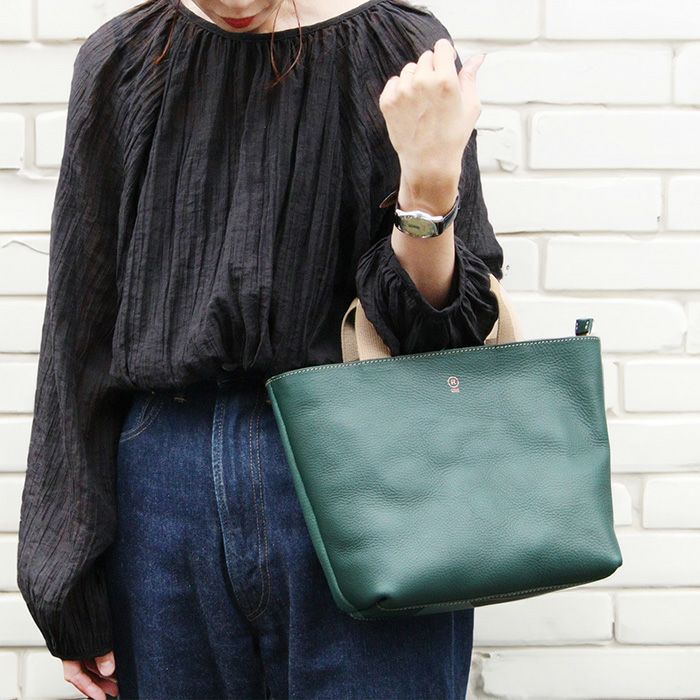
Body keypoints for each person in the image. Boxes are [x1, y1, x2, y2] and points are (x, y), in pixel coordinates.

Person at [16, 0, 503, 697]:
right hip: (165, 490)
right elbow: (79, 331)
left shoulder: (404, 54)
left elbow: (446, 339)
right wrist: (67, 577)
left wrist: (427, 185)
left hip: (368, 473)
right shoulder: (121, 61)